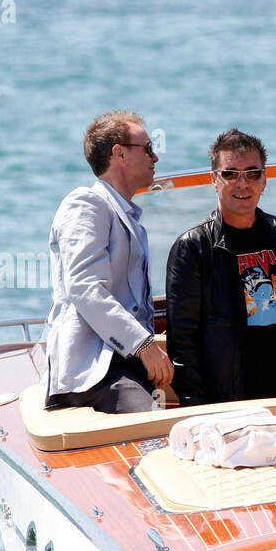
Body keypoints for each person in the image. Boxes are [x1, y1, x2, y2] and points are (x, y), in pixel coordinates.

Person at [165, 129, 276, 405]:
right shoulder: (193, 247)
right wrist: (196, 410)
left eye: (252, 173)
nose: (243, 184)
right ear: (214, 181)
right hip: (229, 400)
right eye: (230, 174)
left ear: (264, 180)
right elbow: (182, 345)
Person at [45, 110, 173, 413]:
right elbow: (85, 288)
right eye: (148, 149)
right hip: (93, 371)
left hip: (126, 363)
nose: (156, 158)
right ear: (119, 154)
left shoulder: (129, 218)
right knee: (150, 424)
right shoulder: (86, 204)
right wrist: (143, 344)